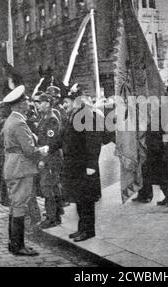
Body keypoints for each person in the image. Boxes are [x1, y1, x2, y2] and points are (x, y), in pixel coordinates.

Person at [2, 85, 49, 256]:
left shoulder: (11, 120)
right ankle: (18, 246)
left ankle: (13, 244)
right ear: (20, 104)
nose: (29, 103)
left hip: (14, 166)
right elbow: (29, 150)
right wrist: (42, 151)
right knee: (20, 206)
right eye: (27, 101)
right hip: (21, 167)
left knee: (16, 205)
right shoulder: (19, 122)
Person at [61, 84, 106, 242]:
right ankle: (82, 228)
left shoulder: (85, 115)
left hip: (85, 166)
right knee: (80, 199)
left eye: (66, 102)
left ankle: (89, 230)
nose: (63, 105)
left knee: (86, 200)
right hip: (76, 166)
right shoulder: (74, 115)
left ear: (76, 101)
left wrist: (91, 165)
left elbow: (93, 142)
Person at [34, 93, 63, 229]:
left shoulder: (51, 119)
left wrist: (43, 160)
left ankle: (52, 218)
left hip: (51, 158)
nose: (37, 105)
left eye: (40, 102)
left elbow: (51, 143)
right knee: (53, 186)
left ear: (47, 103)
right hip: (50, 157)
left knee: (48, 187)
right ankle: (55, 215)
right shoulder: (45, 117)